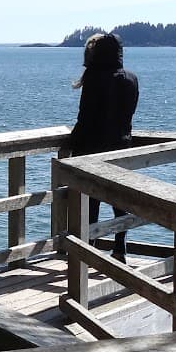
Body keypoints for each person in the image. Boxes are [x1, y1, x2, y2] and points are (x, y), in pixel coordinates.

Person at [69, 31, 139, 263]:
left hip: (92, 149)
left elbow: (85, 118)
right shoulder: (131, 78)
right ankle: (120, 249)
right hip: (121, 146)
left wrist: (72, 145)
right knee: (119, 201)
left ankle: (89, 250)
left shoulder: (94, 79)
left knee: (90, 203)